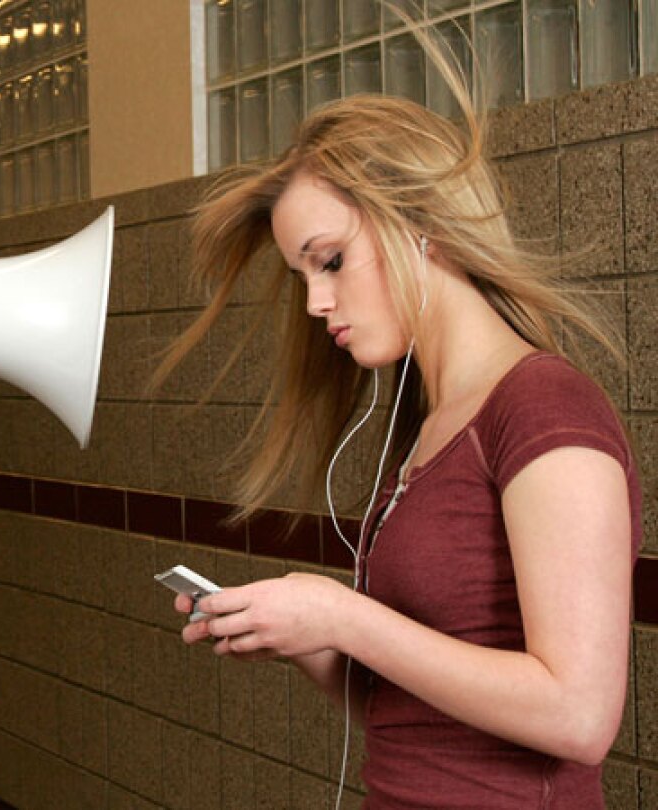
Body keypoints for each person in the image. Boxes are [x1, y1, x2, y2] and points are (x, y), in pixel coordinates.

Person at [156, 44, 641, 810]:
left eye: (332, 260)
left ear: (422, 225)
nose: (316, 303)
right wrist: (304, 638)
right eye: (302, 275)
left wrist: (343, 616)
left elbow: (579, 716)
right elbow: (408, 715)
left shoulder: (544, 410)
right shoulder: (428, 427)